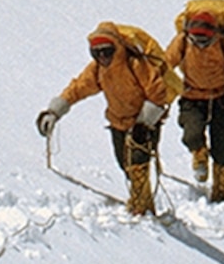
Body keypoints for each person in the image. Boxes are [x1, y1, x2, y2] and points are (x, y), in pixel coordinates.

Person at [36, 23, 178, 216]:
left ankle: (142, 209)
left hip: (143, 124)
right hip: (118, 123)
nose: (102, 57)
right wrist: (54, 111)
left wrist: (145, 122)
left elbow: (158, 93)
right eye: (96, 53)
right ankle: (142, 203)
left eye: (107, 51)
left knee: (138, 162)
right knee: (125, 164)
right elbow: (78, 88)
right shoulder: (98, 69)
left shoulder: (135, 64)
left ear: (117, 47)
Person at [165, 0, 224, 204]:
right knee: (191, 134)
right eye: (196, 40)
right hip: (192, 97)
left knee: (221, 146)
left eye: (204, 40)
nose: (200, 44)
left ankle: (220, 188)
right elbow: (165, 65)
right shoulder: (182, 41)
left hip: (221, 99)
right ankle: (199, 155)